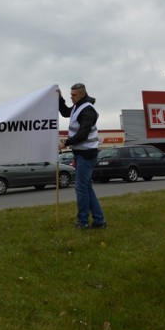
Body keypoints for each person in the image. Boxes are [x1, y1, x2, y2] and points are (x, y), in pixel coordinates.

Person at [58, 83, 106, 229]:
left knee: (81, 188)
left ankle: (83, 222)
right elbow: (66, 112)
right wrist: (60, 98)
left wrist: (66, 142)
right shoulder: (77, 107)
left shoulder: (87, 111)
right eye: (70, 95)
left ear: (82, 94)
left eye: (73, 95)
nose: (71, 97)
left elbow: (83, 134)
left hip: (86, 155)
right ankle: (99, 221)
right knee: (86, 188)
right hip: (81, 154)